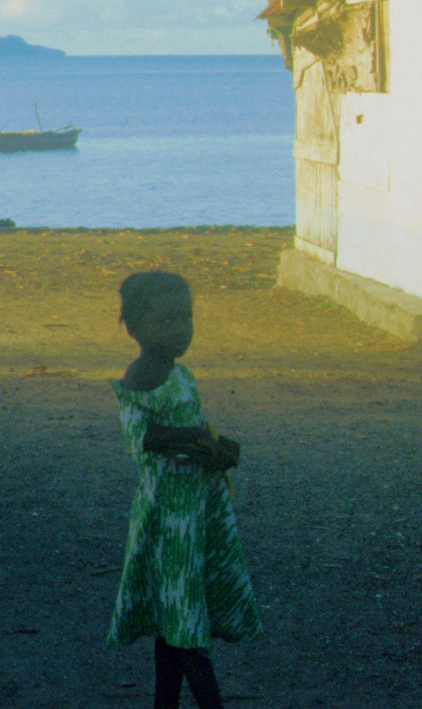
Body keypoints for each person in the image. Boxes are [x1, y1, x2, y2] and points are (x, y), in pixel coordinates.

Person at [107, 271, 261, 709]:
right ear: (134, 327)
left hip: (193, 514)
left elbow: (194, 434)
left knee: (175, 623)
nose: (180, 330)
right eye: (167, 321)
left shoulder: (182, 374)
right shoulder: (140, 376)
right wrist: (193, 440)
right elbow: (143, 440)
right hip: (167, 520)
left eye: (186, 319)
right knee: (186, 625)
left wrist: (218, 449)